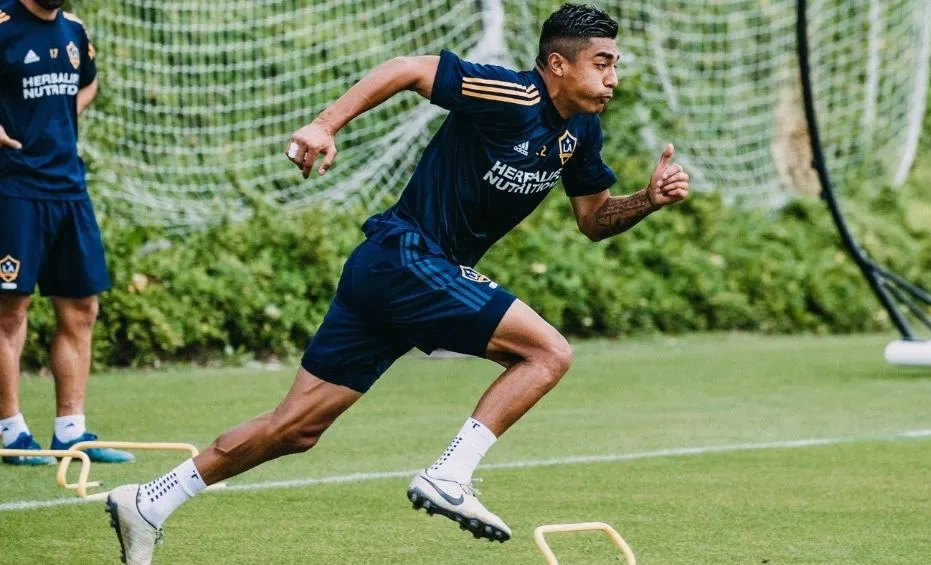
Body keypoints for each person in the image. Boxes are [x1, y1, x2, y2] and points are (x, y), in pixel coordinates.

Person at [104, 3, 689, 563]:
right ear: (559, 64)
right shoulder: (514, 93)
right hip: (406, 257)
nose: (613, 76)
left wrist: (647, 199)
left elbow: (593, 219)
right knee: (548, 353)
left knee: (295, 429)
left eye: (615, 63)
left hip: (393, 275)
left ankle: (150, 501)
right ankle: (450, 474)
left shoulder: (581, 133)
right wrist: (324, 124)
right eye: (603, 62)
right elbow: (408, 70)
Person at [0, 0, 132, 465]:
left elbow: (88, 81)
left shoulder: (73, 30)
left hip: (69, 187)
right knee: (9, 310)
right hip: (12, 187)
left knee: (81, 308)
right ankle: (10, 433)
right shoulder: (2, 22)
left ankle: (70, 433)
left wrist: (53, 120)